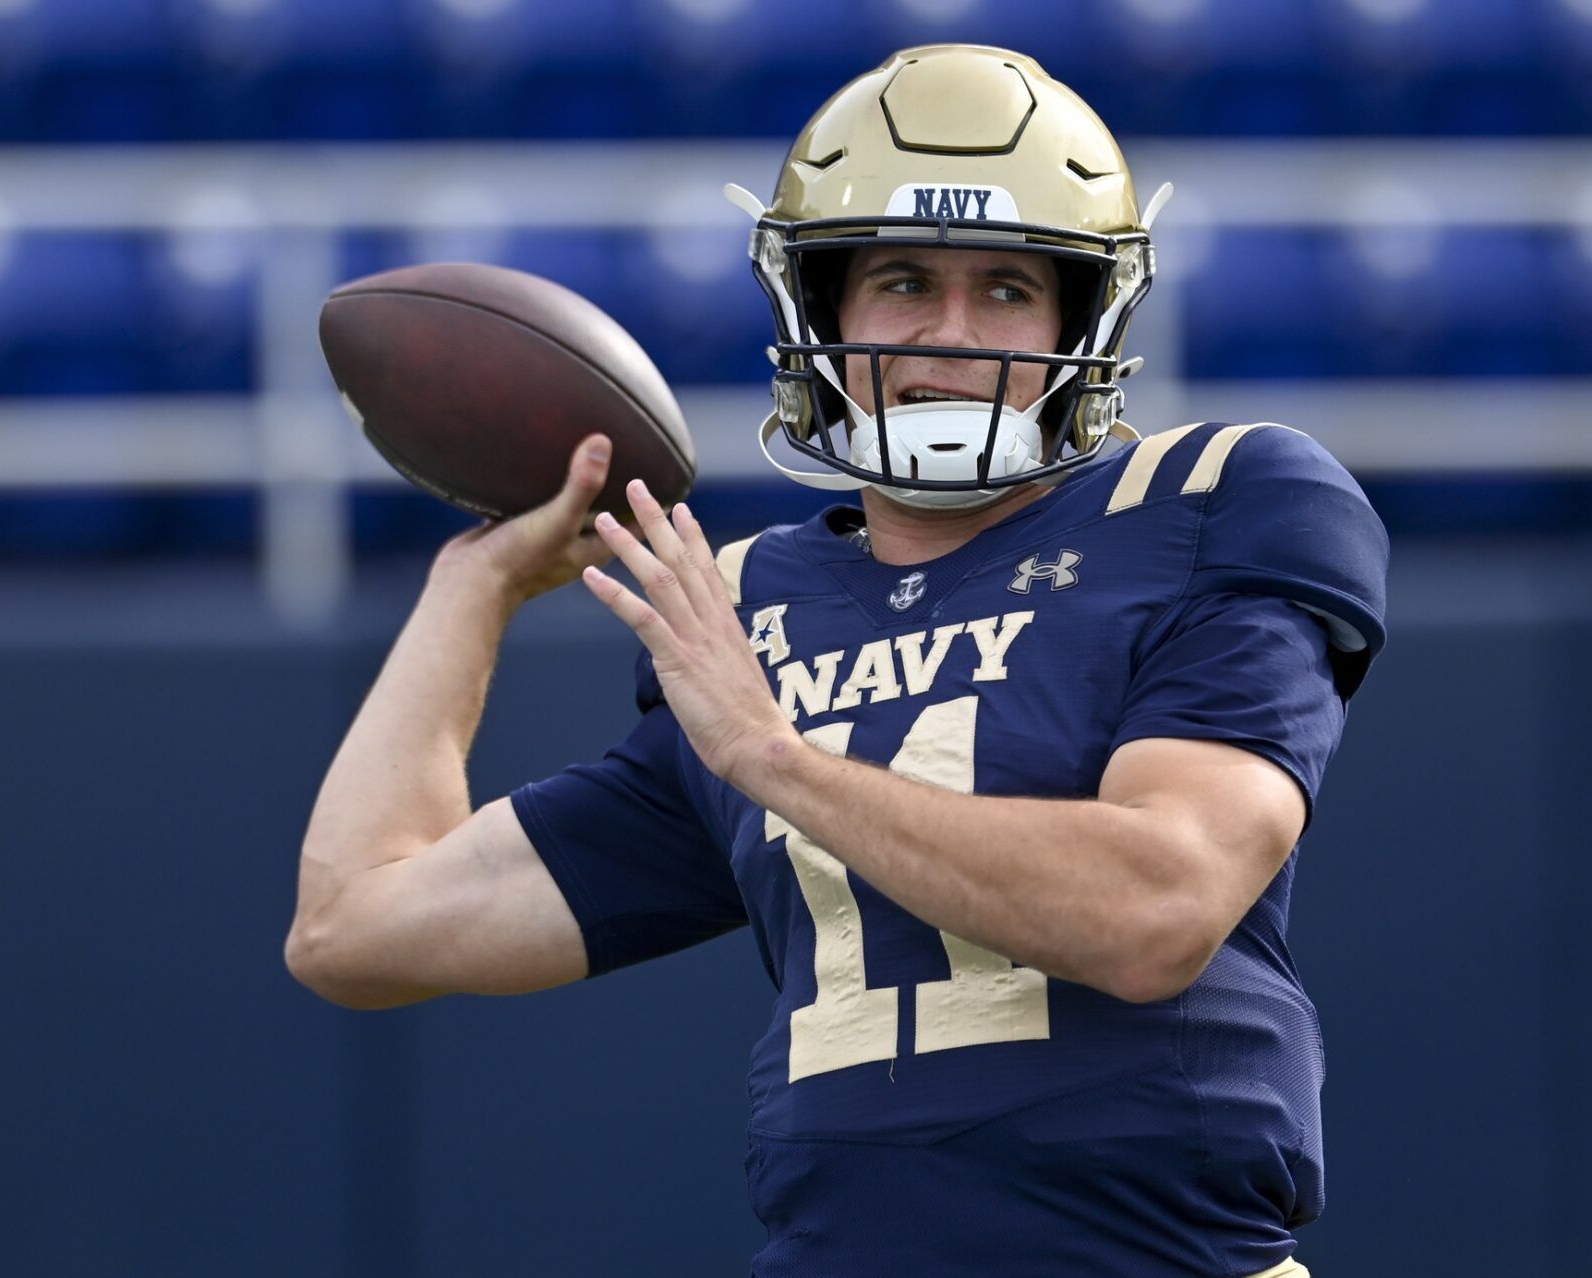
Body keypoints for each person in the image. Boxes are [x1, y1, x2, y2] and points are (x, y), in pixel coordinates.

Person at [287, 44, 1387, 1278]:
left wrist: (774, 756)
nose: (954, 334)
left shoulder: (1207, 500)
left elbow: (1156, 908)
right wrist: (472, 585)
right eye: (904, 281)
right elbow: (355, 925)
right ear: (820, 311)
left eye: (1012, 291)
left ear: (1087, 319)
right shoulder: (752, 610)